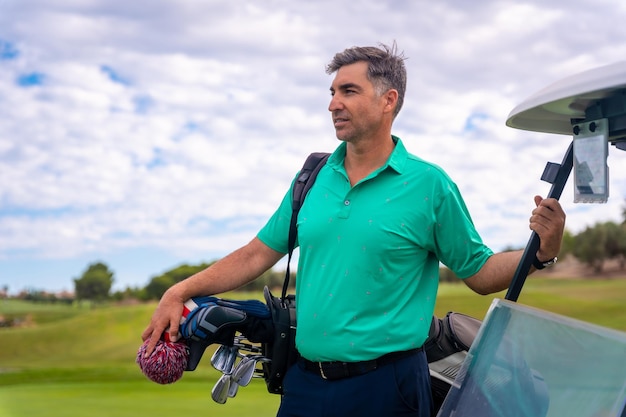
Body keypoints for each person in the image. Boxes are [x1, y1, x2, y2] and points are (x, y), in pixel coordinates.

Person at [142, 43, 566, 417]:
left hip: (389, 388)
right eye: (332, 93)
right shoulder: (313, 176)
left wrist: (541, 251)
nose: (332, 104)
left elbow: (480, 272)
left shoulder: (429, 186)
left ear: (388, 101)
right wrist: (179, 291)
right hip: (305, 384)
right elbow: (256, 254)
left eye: (348, 91)